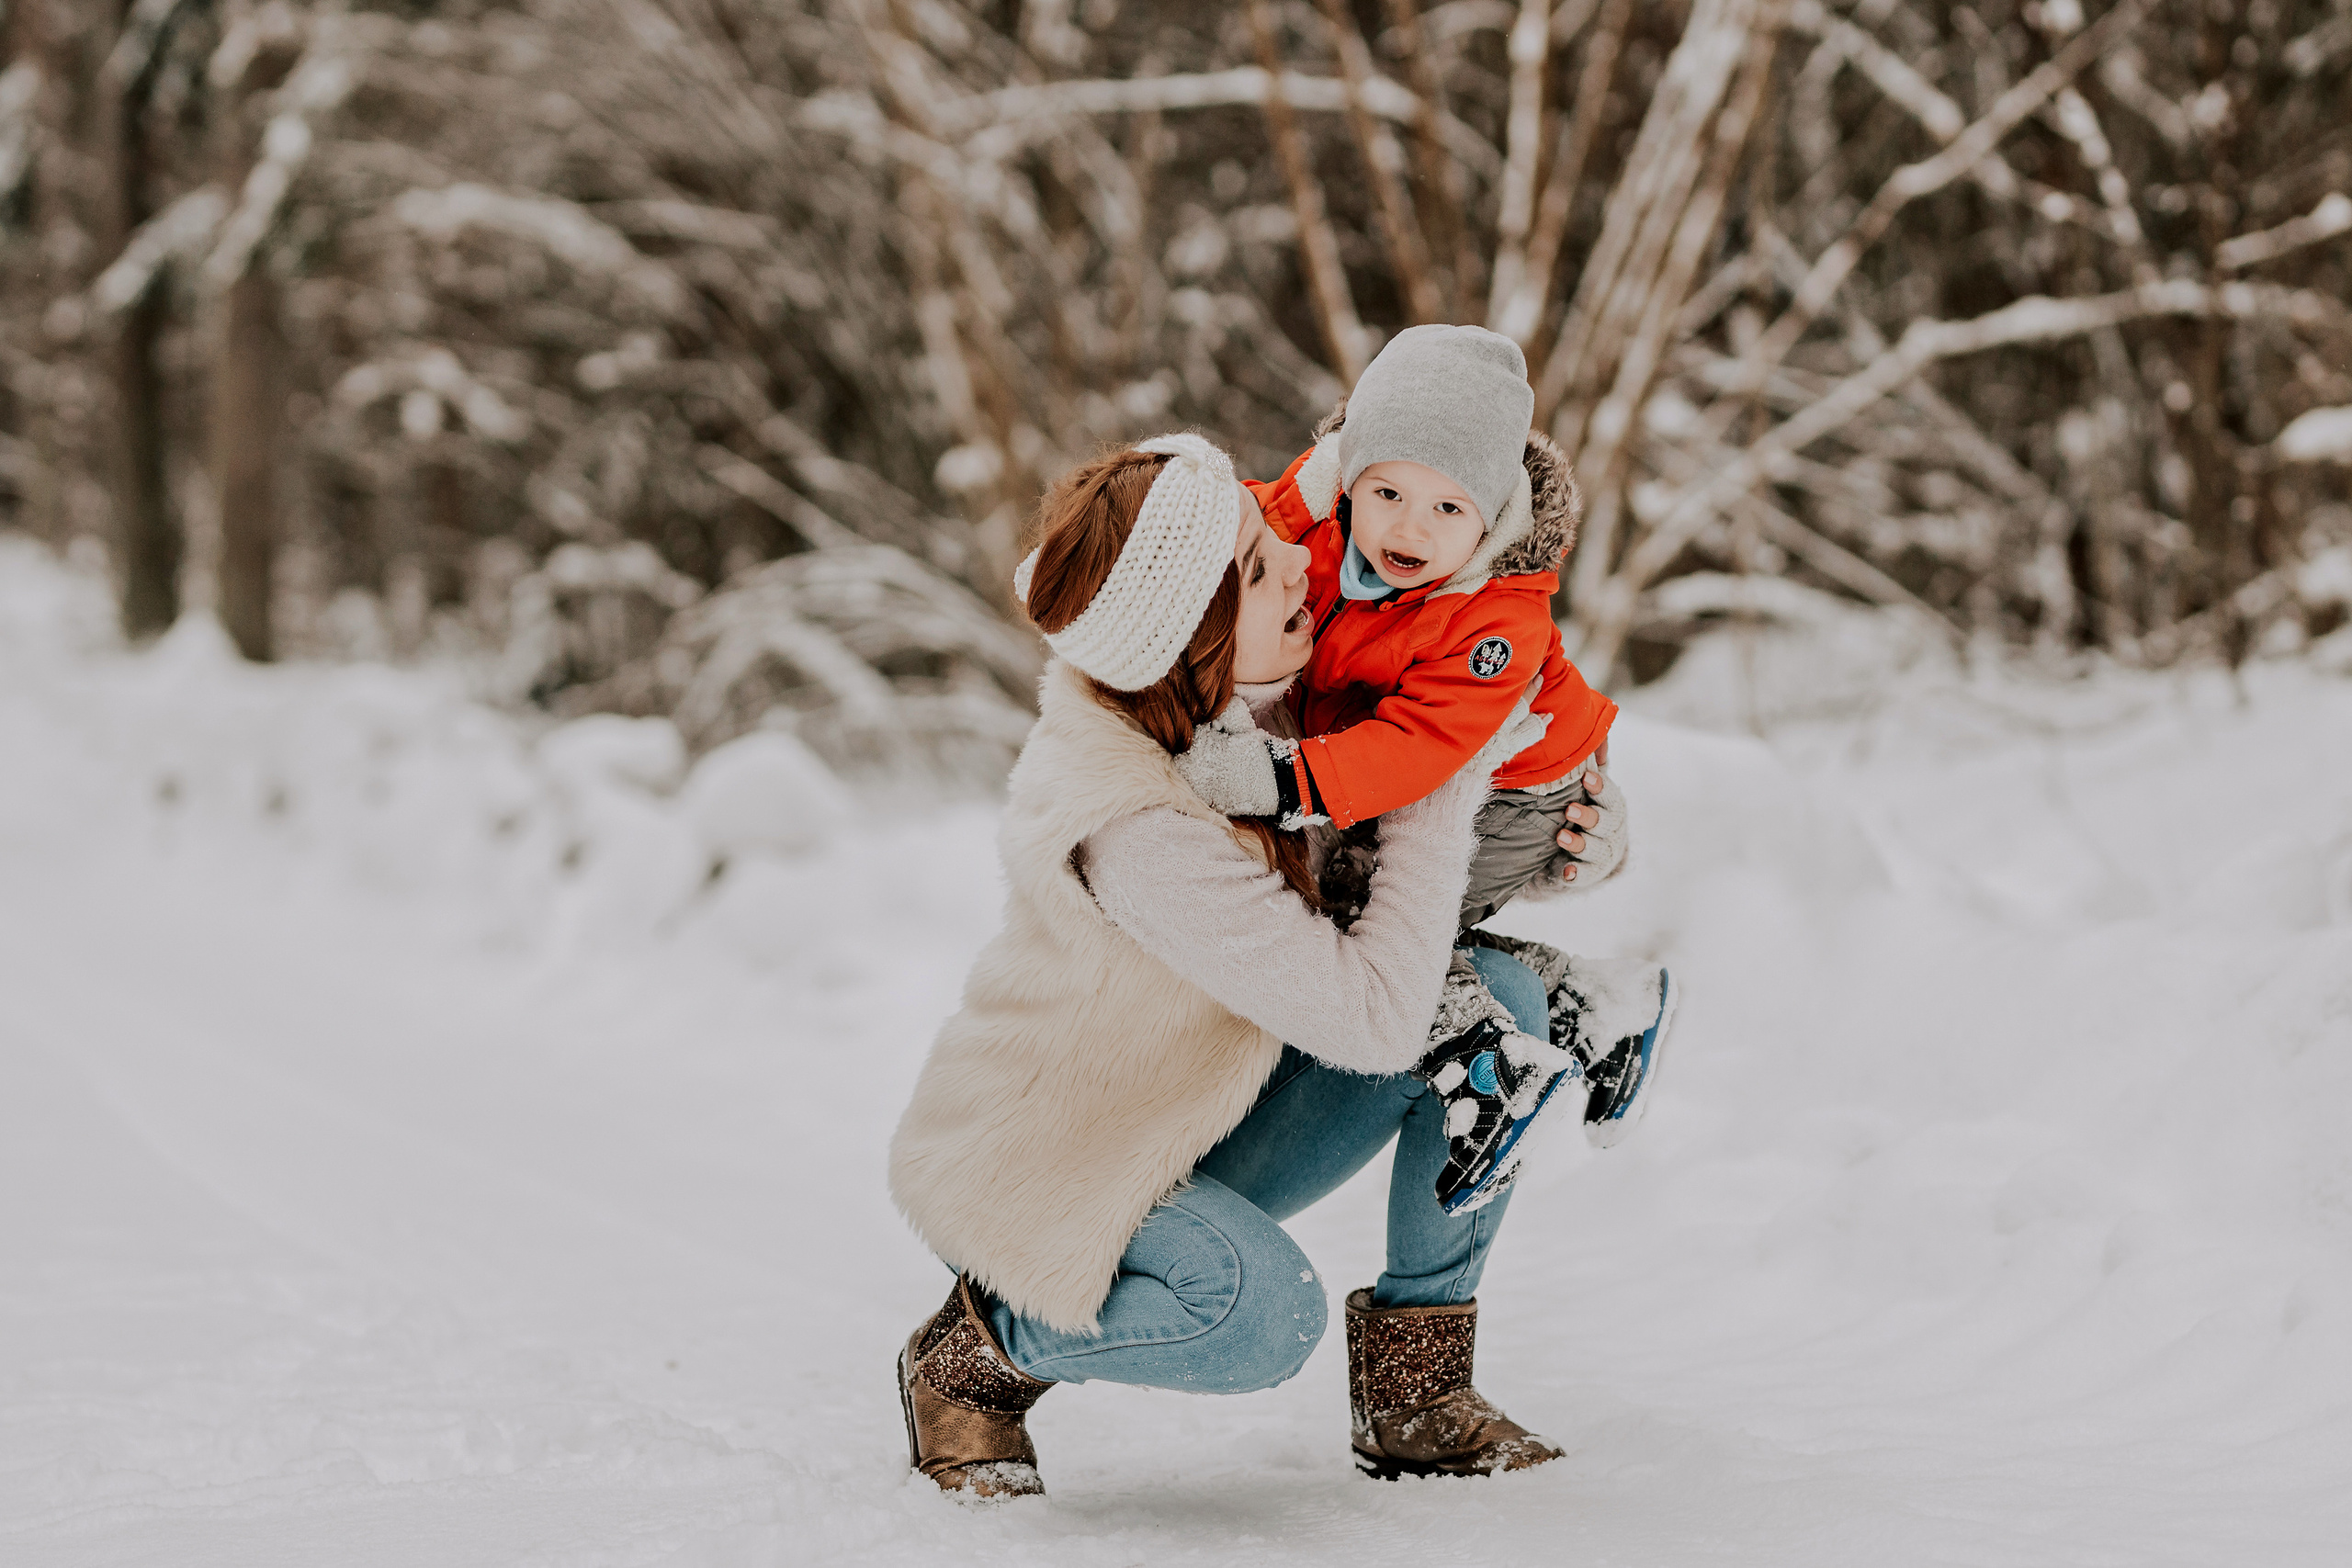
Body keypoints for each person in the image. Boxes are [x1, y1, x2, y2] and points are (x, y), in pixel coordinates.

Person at [888, 434, 1661, 1502]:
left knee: (1503, 1002)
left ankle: (1415, 1397)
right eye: (1260, 567)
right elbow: (1385, 1006)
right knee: (1254, 1315)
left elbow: (1394, 883)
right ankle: (979, 1348)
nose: (1304, 560)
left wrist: (1572, 843)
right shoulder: (1137, 830)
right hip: (1057, 1159)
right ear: (1194, 631)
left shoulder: (1251, 705)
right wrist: (1445, 783)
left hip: (1189, 1112)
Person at [1175, 325, 1671, 1212]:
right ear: (1347, 474)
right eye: (1390, 491)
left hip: (1523, 789)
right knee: (1390, 909)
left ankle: (1484, 1067)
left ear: (1491, 514)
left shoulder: (1492, 618)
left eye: (1449, 509)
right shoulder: (1313, 519)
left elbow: (1419, 749)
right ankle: (1593, 1009)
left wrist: (1284, 780)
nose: (1411, 527)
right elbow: (1245, 520)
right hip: (1425, 770)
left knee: (1372, 916)